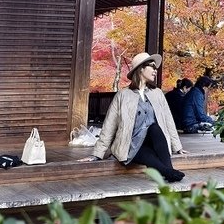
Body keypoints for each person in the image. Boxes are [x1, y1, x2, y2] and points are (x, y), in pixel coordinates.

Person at [79, 53, 186, 182]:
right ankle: (168, 172)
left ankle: (169, 170)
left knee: (155, 128)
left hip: (154, 141)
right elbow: (109, 125)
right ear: (140, 69)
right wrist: (97, 154)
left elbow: (168, 121)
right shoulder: (123, 95)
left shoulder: (157, 94)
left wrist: (177, 146)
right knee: (144, 152)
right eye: (152, 66)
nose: (155, 70)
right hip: (131, 143)